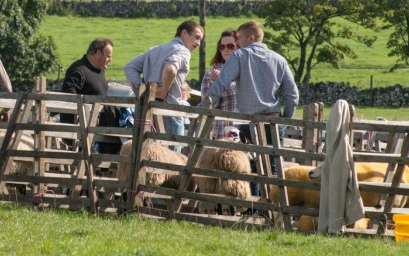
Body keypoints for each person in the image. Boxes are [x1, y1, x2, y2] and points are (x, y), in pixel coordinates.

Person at [204, 20, 297, 187]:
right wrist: (285, 119)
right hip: (273, 121)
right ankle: (273, 209)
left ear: (250, 38)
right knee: (273, 169)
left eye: (239, 38)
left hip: (247, 121)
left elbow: (221, 84)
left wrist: (203, 107)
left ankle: (253, 209)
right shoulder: (279, 60)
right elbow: (292, 95)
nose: (237, 42)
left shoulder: (239, 56)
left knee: (252, 167)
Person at [124, 20, 203, 140]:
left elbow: (129, 68)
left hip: (148, 110)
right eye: (197, 37)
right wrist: (163, 90)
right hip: (170, 111)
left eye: (200, 40)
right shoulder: (183, 51)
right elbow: (170, 69)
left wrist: (143, 93)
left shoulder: (154, 50)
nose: (198, 43)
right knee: (172, 157)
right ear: (184, 33)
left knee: (150, 154)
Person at [60, 38, 120, 154]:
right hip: (80, 133)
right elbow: (68, 97)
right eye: (108, 56)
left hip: (96, 132)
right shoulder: (78, 70)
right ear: (98, 53)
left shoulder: (100, 72)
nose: (110, 60)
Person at [199, 29, 239, 139]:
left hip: (246, 129)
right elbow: (207, 105)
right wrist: (214, 83)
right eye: (222, 47)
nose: (226, 49)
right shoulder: (212, 72)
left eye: (230, 46)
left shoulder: (247, 70)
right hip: (224, 129)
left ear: (239, 46)